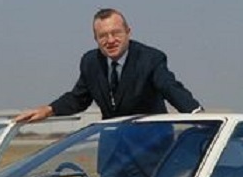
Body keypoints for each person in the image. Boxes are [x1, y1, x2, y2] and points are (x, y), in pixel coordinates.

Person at [14, 8, 202, 122]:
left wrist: (197, 114)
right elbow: (78, 99)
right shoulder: (90, 62)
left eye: (116, 33)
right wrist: (48, 110)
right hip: (112, 153)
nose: (110, 40)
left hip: (151, 152)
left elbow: (170, 87)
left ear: (128, 32)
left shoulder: (150, 58)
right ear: (95, 38)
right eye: (103, 36)